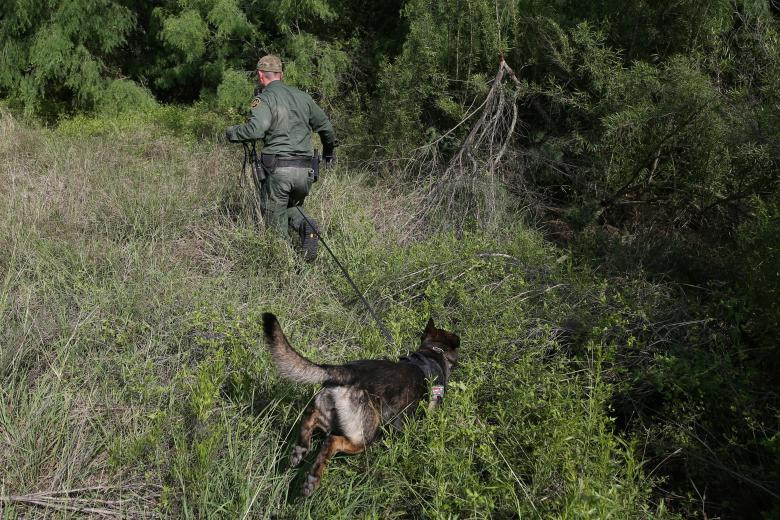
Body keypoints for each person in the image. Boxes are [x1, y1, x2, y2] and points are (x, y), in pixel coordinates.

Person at [225, 54, 336, 261]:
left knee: (274, 222)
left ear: (260, 76)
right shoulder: (303, 97)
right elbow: (326, 128)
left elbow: (257, 129)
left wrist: (232, 132)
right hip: (306, 171)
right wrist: (329, 153)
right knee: (292, 208)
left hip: (278, 169)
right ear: (281, 74)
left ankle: (284, 269)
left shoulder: (264, 98)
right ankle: (306, 225)